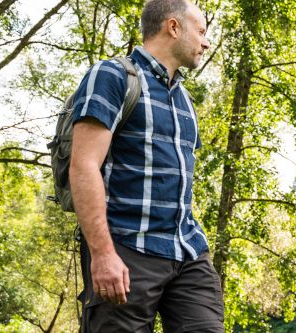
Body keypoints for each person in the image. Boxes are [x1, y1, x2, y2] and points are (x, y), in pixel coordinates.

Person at [68, 0, 217, 331]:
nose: (206, 42)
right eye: (201, 31)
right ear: (173, 27)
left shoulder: (184, 99)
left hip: (187, 250)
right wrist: (103, 254)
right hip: (127, 250)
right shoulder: (113, 76)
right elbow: (83, 166)